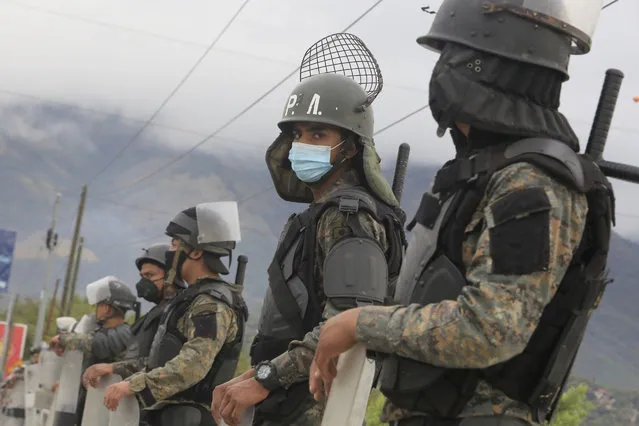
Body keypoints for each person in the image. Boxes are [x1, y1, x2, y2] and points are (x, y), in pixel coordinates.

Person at [308, 1, 615, 426]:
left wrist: (361, 324)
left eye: (450, 59)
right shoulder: (482, 174)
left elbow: (490, 329)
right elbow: (414, 297)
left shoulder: (531, 183)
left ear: (478, 69)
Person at [211, 70, 407, 426]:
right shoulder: (322, 216)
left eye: (318, 134)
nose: (301, 145)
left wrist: (267, 377)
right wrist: (257, 374)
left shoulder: (350, 219)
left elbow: (350, 324)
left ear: (349, 145)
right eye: (297, 134)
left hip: (317, 405)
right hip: (289, 402)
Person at [103, 202, 248, 426]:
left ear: (197, 251)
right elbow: (162, 360)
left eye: (175, 244)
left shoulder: (210, 303)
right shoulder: (190, 298)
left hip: (188, 417)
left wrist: (134, 385)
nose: (170, 252)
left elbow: (192, 366)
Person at [83, 243, 185, 386]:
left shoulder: (178, 312)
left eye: (150, 275)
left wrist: (113, 368)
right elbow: (139, 359)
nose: (144, 281)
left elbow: (161, 365)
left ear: (171, 276)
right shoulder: (156, 314)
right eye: (142, 276)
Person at [50, 276, 136, 425]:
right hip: (92, 405)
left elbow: (97, 344)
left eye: (99, 305)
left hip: (107, 411)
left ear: (107, 308)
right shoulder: (102, 331)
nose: (96, 309)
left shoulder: (124, 332)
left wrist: (62, 339)